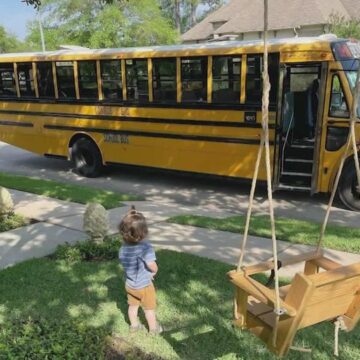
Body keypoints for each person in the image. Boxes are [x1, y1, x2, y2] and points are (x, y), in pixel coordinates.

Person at [118, 206, 163, 334]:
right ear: (143, 232)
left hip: (130, 285)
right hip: (144, 285)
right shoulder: (145, 247)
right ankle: (154, 329)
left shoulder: (123, 249)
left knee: (133, 306)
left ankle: (134, 326)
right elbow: (151, 265)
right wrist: (154, 271)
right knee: (149, 309)